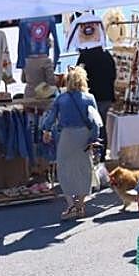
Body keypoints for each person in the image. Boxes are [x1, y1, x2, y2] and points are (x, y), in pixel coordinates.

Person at [40, 66, 101, 221]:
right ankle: (80, 205)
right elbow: (96, 122)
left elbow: (51, 118)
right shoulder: (89, 98)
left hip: (66, 135)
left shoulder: (61, 98)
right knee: (84, 169)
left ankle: (71, 205)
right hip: (84, 135)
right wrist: (93, 138)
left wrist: (46, 131)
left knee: (64, 169)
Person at [77, 44, 116, 151]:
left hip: (90, 97)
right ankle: (102, 152)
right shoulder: (107, 54)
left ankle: (90, 151)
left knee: (89, 126)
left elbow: (78, 76)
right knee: (101, 125)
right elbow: (113, 75)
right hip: (106, 96)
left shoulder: (85, 56)